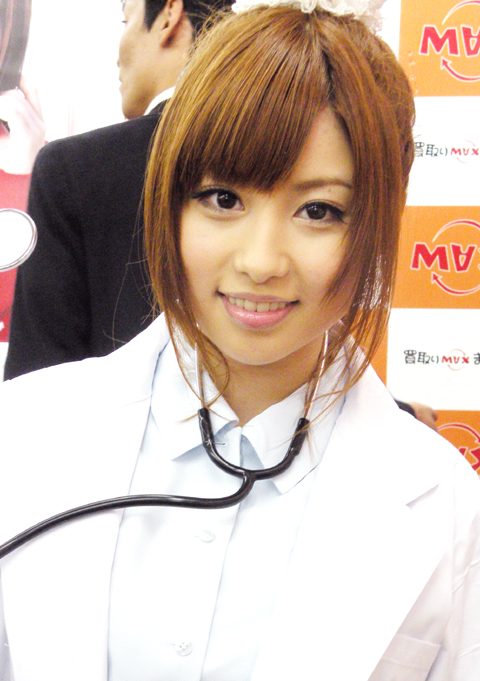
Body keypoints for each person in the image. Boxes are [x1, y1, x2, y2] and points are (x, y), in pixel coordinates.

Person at [1, 3, 479, 679]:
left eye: (319, 211)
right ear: (169, 199)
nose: (260, 261)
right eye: (223, 199)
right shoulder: (25, 433)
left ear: (376, 221)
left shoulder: (446, 504)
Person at [4, 0, 231, 380]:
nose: (117, 55)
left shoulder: (73, 168)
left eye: (125, 20)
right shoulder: (290, 156)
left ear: (169, 15)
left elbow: (35, 386)